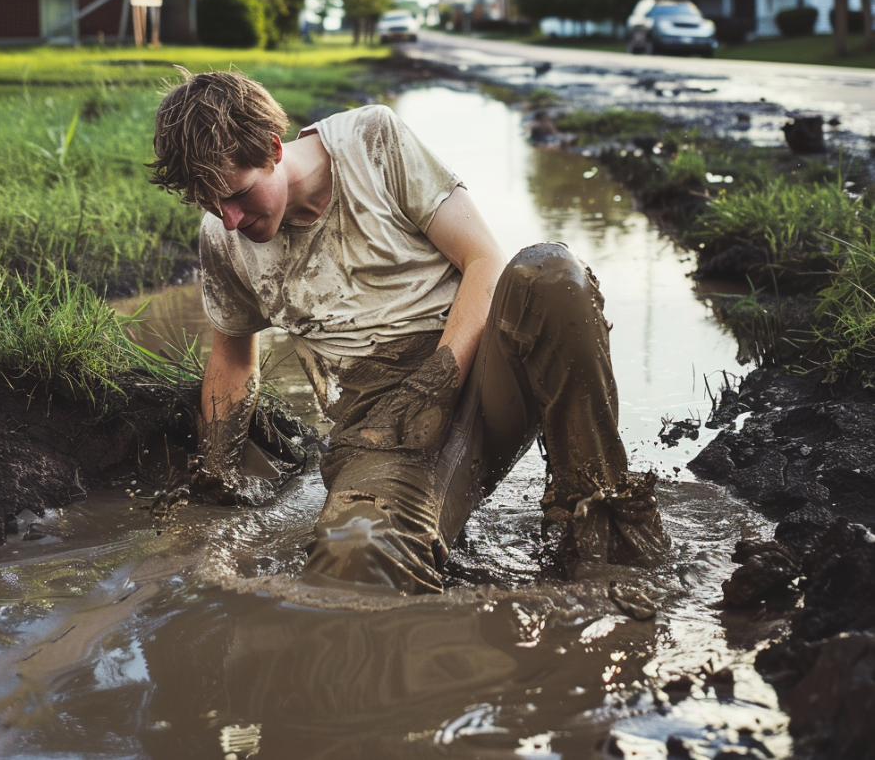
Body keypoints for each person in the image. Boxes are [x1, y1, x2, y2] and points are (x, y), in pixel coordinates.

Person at [151, 69, 667, 594]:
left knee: (551, 273)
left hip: (485, 373)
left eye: (238, 195)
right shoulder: (221, 240)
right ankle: (420, 527)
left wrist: (436, 383)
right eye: (212, 204)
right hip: (382, 429)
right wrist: (215, 467)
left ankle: (599, 533)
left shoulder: (372, 141)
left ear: (272, 147)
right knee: (354, 562)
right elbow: (233, 362)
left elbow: (484, 260)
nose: (230, 218)